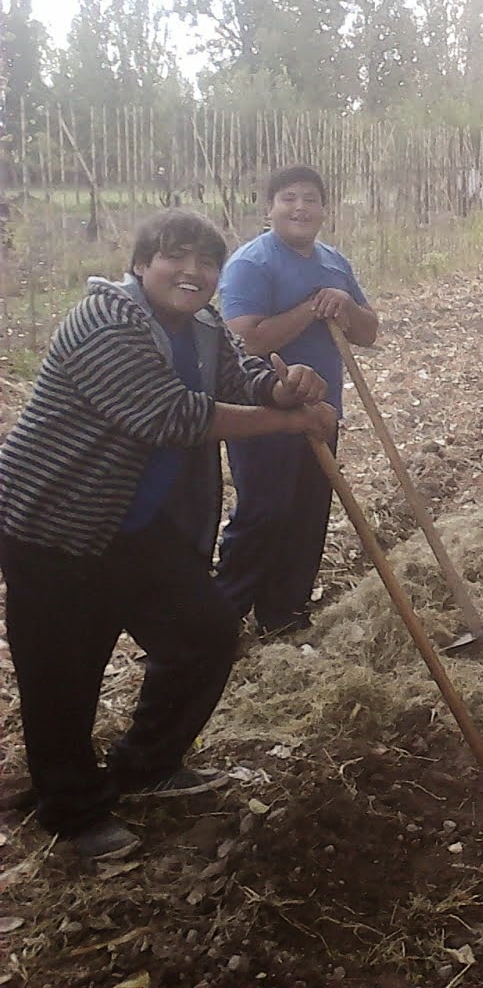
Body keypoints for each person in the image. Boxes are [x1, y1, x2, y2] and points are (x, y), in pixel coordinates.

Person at [0, 210, 335, 860]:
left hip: (135, 526)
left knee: (205, 634)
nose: (193, 273)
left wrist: (285, 386)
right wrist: (288, 425)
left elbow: (243, 378)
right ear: (141, 265)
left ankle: (145, 765)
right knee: (64, 675)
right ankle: (70, 814)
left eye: (206, 263)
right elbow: (172, 416)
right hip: (54, 526)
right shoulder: (105, 321)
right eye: (174, 257)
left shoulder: (204, 326)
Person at [216, 166, 380, 636]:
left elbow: (367, 333)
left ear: (324, 210)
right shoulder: (252, 264)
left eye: (310, 199)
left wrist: (343, 304)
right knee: (263, 514)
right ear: (269, 208)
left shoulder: (334, 264)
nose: (300, 208)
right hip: (264, 413)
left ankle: (284, 616)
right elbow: (243, 343)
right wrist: (310, 308)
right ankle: (222, 622)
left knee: (309, 515)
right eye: (288, 198)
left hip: (323, 413)